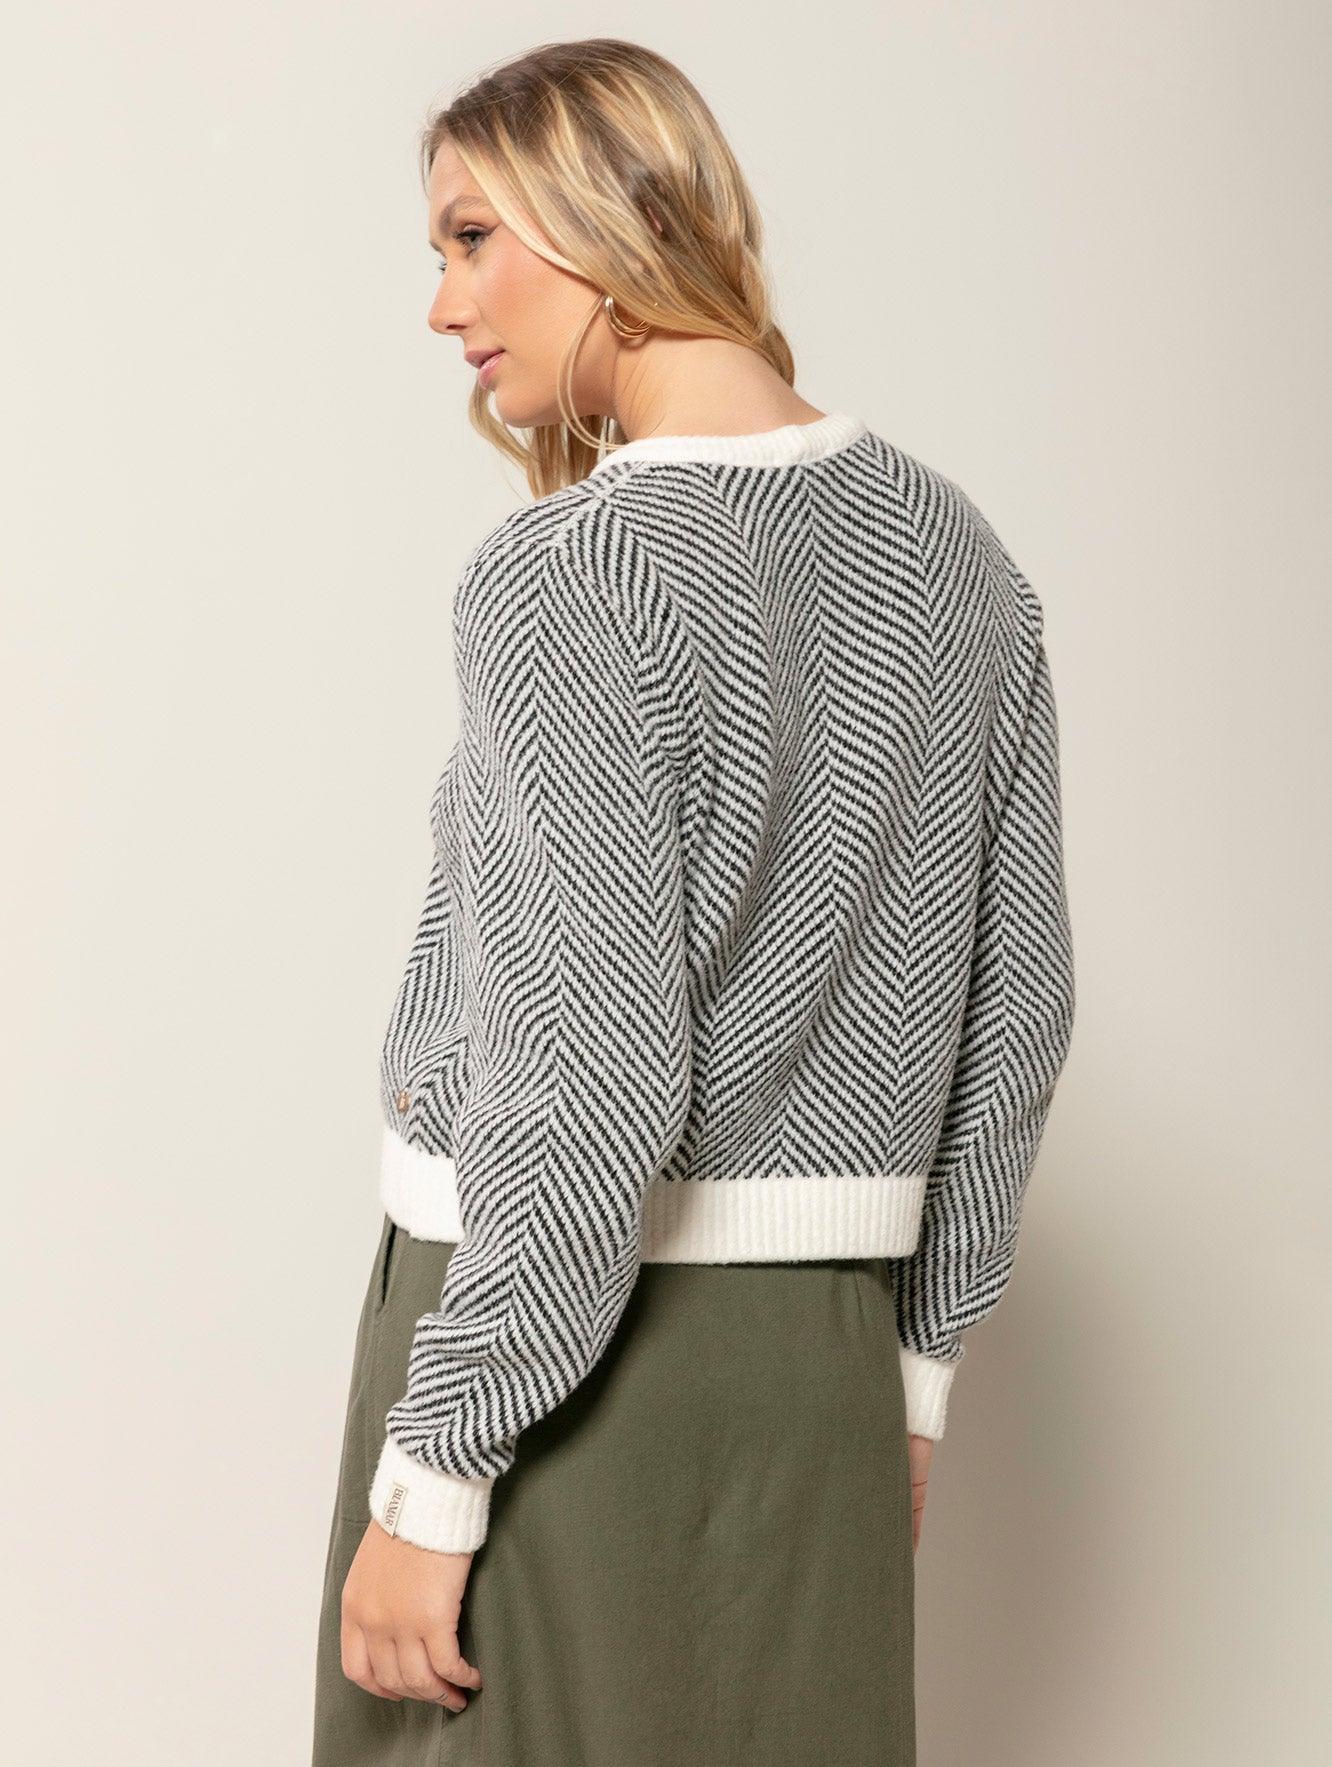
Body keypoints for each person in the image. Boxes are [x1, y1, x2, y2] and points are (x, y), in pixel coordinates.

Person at [311, 35, 1076, 1767]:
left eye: (471, 237)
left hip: (562, 1368)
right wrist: (914, 1386)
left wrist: (436, 1471)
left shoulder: (570, 571)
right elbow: (1014, 1019)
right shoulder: (962, 558)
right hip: (821, 1373)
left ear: (602, 220)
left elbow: (590, 1082)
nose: (443, 304)